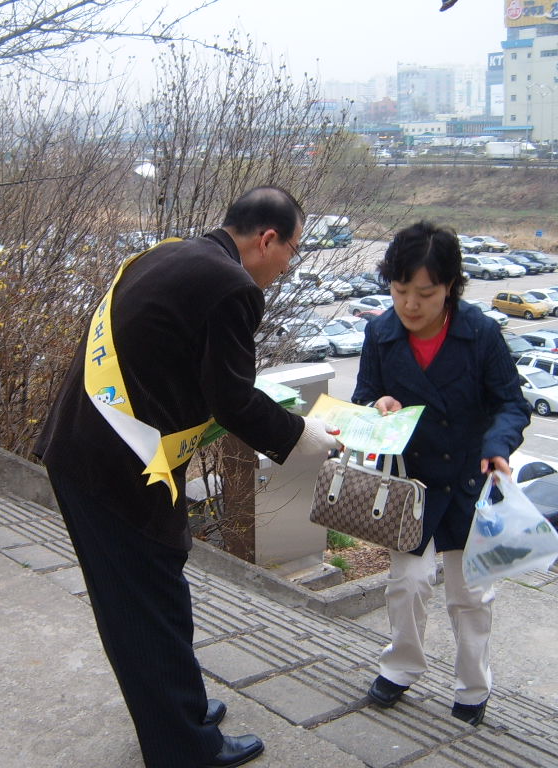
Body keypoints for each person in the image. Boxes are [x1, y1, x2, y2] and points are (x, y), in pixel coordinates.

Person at [35, 187, 341, 768]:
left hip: (100, 450)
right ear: (266, 239)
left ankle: (180, 709)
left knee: (159, 589)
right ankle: (181, 746)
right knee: (143, 607)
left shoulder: (175, 253)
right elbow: (231, 398)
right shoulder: (231, 287)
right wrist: (304, 440)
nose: (288, 265)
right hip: (114, 466)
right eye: (292, 250)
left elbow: (194, 372)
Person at [351, 221, 531, 726]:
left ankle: (473, 688)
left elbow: (511, 405)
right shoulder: (380, 334)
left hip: (471, 482)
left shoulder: (481, 334)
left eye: (425, 292)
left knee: (471, 595)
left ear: (450, 286)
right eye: (400, 289)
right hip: (414, 484)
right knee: (405, 583)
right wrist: (377, 404)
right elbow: (366, 395)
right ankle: (402, 665)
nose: (410, 304)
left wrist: (498, 446)